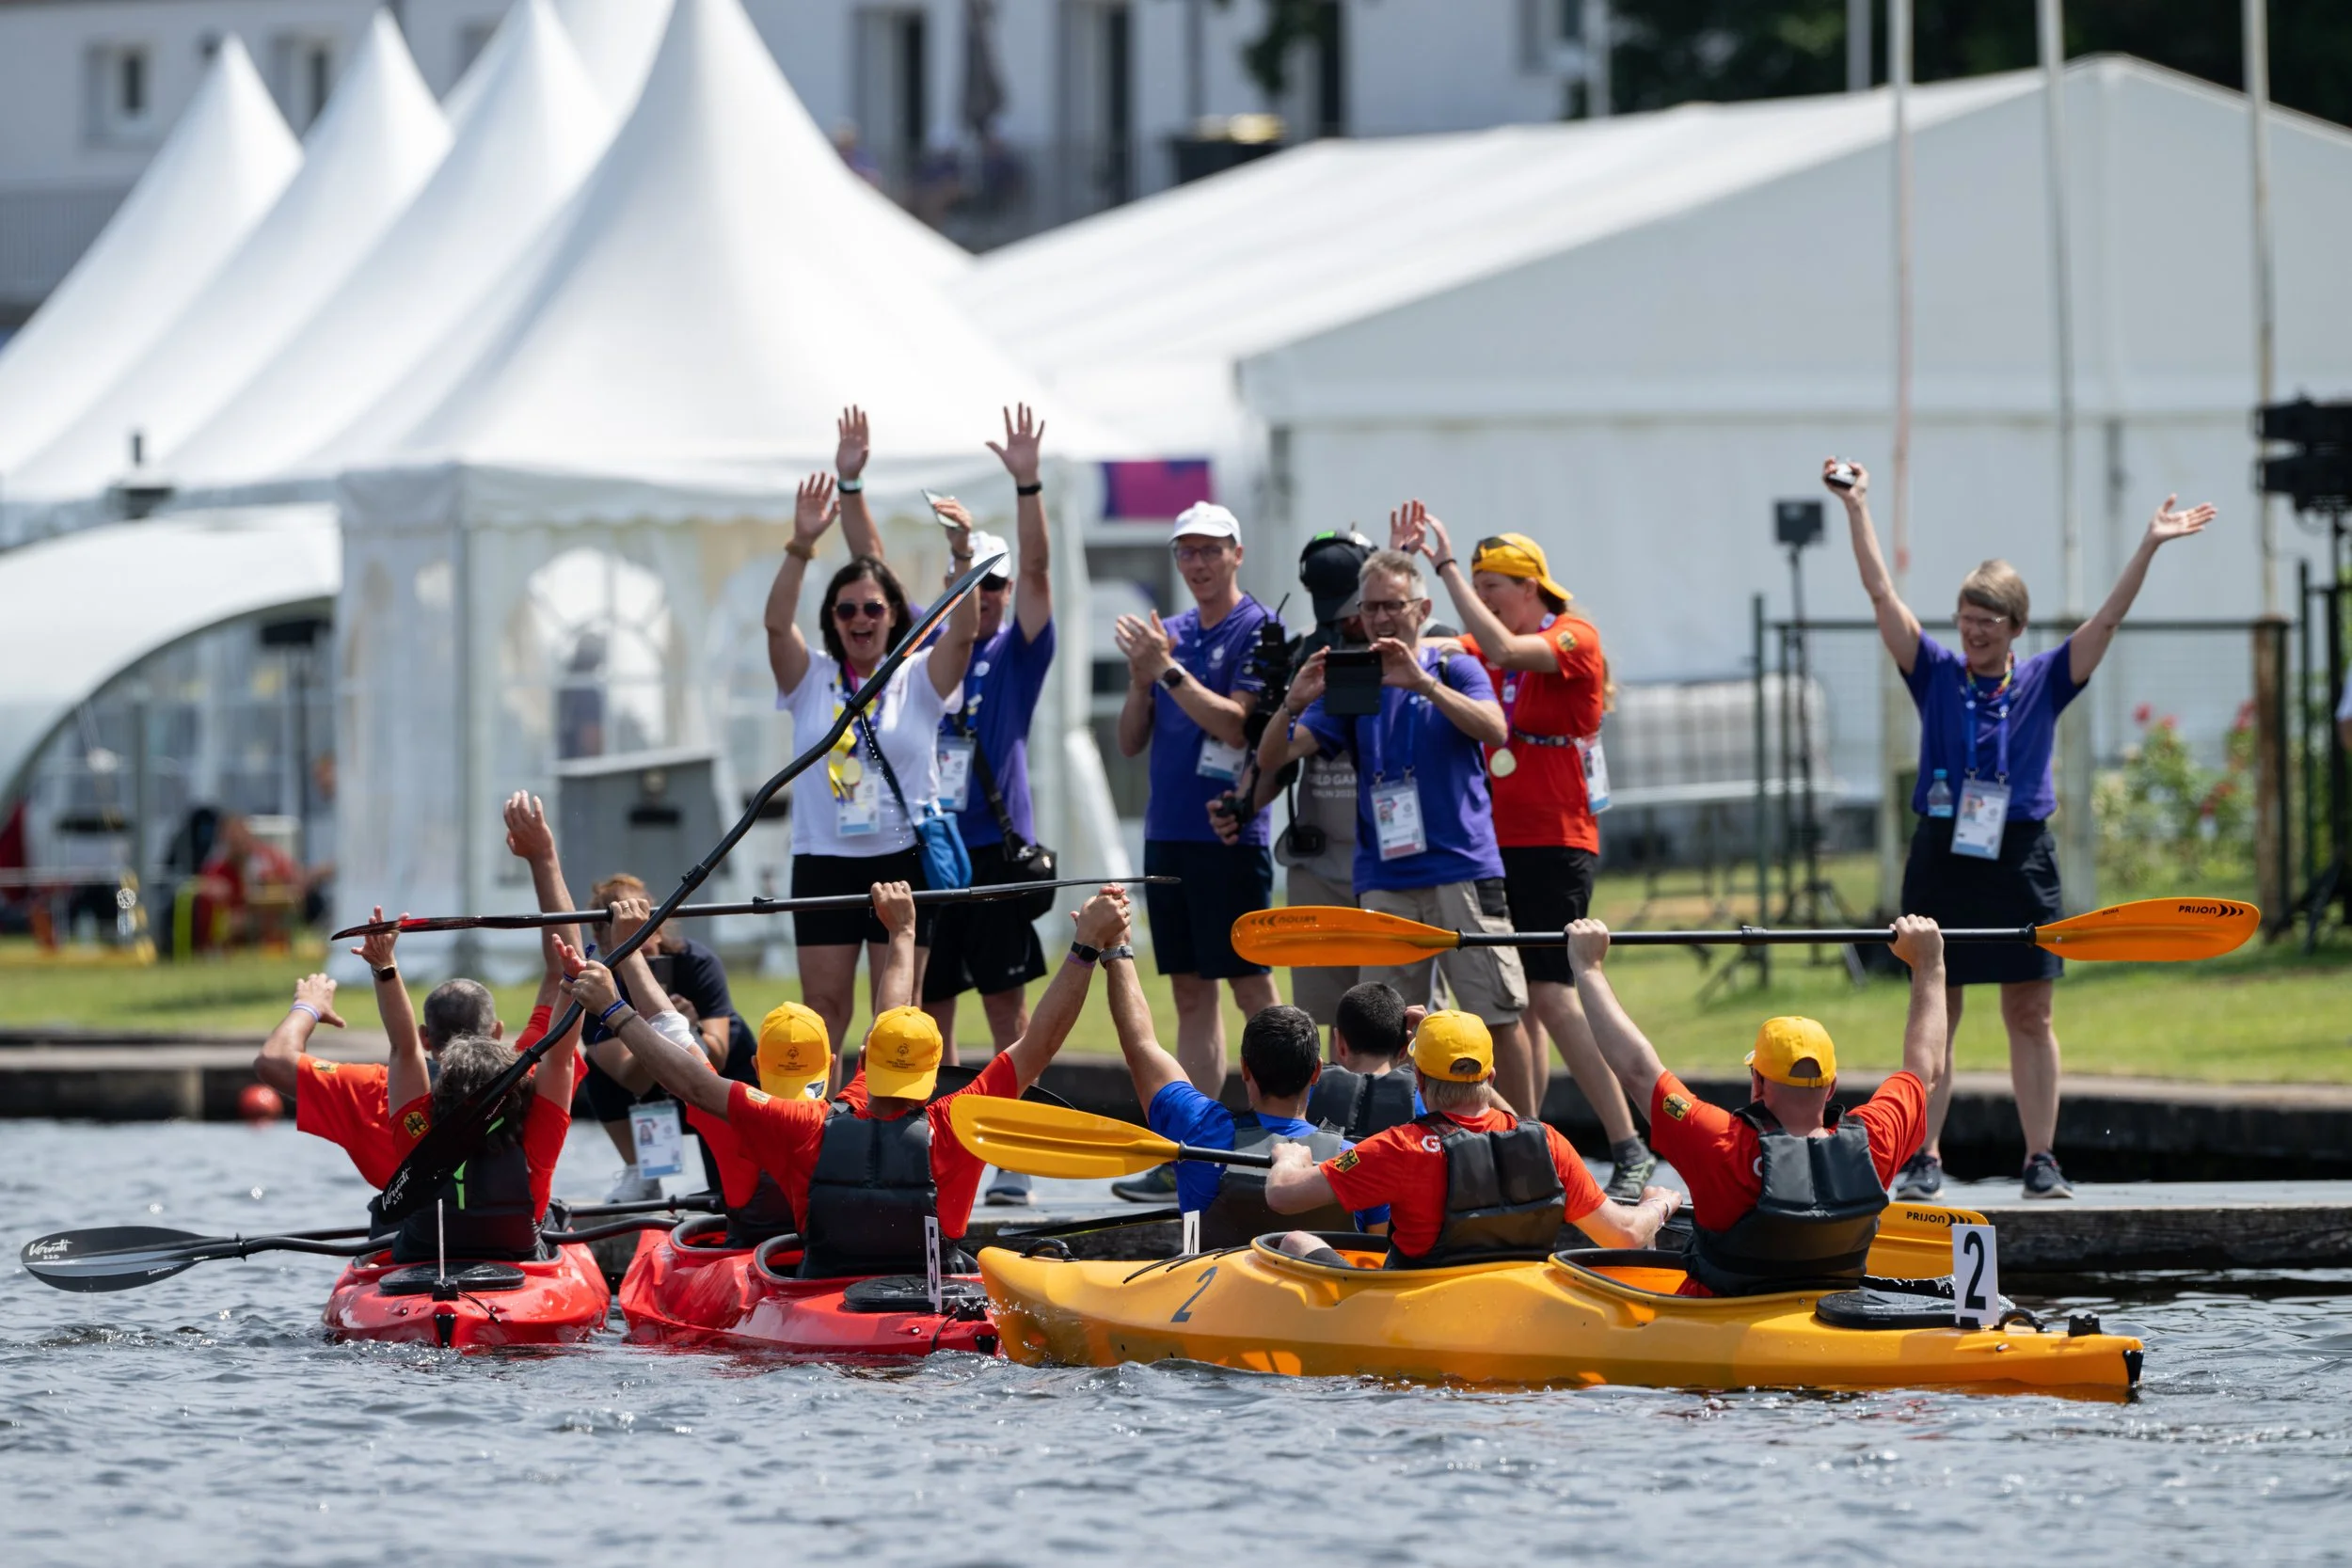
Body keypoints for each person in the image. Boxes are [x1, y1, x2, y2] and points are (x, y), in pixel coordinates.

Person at [1829, 457, 2215, 1200]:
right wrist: (1857, 508)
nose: (1971, 631)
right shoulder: (1934, 670)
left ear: (2014, 628)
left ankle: (2042, 1157)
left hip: (2021, 855)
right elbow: (1881, 592)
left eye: (1986, 621)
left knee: (2029, 1010)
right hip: (1943, 851)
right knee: (1937, 1000)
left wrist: (2151, 544)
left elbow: (2105, 621)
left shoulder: (2043, 678)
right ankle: (1925, 1155)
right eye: (1965, 618)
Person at [559, 882, 1132, 1279]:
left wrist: (615, 1006)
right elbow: (1036, 1047)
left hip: (807, 1287)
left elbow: (689, 1073)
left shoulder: (799, 1126)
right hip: (929, 1297)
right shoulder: (957, 1119)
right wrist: (1087, 949)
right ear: (835, 1066)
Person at [1391, 501, 1659, 1203]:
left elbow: (1505, 652)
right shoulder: (1477, 648)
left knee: (1552, 992)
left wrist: (1443, 566)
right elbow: (1427, 648)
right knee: (1518, 1011)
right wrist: (1403, 579)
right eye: (1476, 589)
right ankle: (1529, 1140)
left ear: (1531, 585)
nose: (1481, 602)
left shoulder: (1573, 636)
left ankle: (1628, 1144)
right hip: (1494, 845)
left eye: (1492, 588)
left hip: (1555, 837)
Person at [836, 404, 1057, 1207]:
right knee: (931, 1014)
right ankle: (941, 1149)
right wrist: (852, 479)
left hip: (993, 851)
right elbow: (867, 568)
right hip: (926, 847)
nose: (992, 595)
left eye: (995, 583)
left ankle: (1020, 1155)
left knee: (1010, 1014)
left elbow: (1036, 574)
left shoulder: (1016, 653)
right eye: (978, 583)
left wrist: (1027, 483)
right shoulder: (925, 652)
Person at [1251, 548, 1539, 1116]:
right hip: (1386, 876)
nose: (1382, 617)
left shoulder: (1452, 663)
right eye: (1372, 607)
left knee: (1498, 1015)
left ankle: (1529, 1142)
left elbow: (1495, 728)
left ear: (1421, 607)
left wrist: (1423, 684)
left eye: (1394, 605)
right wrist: (1293, 701)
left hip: (1462, 866)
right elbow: (1273, 756)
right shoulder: (1355, 679)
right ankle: (1414, 1145)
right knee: (1388, 1029)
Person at [1566, 915, 1945, 1297]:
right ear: (1832, 1088)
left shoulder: (1719, 1141)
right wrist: (1929, 963)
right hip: (1829, 1315)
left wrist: (1587, 967)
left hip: (1717, 1327)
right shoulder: (1875, 1139)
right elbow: (1925, 1071)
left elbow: (1636, 1070)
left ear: (1758, 1083)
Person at [767, 467, 984, 1068]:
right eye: (845, 610)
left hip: (903, 858)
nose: (859, 620)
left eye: (872, 607)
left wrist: (962, 552)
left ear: (893, 615)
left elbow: (962, 638)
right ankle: (821, 1138)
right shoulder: (811, 675)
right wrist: (802, 544)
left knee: (896, 1018)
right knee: (823, 1014)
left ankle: (890, 1144)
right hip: (823, 858)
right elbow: (773, 624)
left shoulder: (916, 675)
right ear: (832, 620)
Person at [1112, 500, 1284, 1198]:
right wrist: (1139, 677)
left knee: (1251, 986)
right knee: (1189, 993)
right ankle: (1195, 1142)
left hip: (1229, 833)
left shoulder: (1258, 626)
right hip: (1170, 832)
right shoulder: (1169, 633)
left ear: (1237, 554)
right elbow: (1129, 740)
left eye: (1211, 549)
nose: (1199, 563)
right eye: (1187, 551)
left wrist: (1169, 672)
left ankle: (1284, 1124)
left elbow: (1240, 727)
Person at [1264, 1010, 1681, 1267]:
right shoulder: (1548, 1144)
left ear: (1419, 1080)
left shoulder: (1399, 1147)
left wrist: (1290, 1156)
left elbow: (1283, 1196)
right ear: (1491, 1078)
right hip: (1515, 1300)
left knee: (1298, 1241)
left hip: (1418, 1308)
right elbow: (1625, 1234)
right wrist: (1660, 1203)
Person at [1102, 948, 1365, 1247]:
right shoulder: (1355, 1160)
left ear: (1244, 1068)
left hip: (1210, 1290)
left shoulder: (1198, 1129)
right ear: (1317, 1071)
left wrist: (1117, 950)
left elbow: (1140, 1045)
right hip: (1325, 1292)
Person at [383, 925, 583, 1267]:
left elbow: (404, 1049)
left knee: (382, 1215)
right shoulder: (538, 1134)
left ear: (440, 1082)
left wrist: (384, 966)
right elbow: (560, 1058)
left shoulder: (419, 1128)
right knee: (555, 1216)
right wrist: (570, 983)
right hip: (517, 1259)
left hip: (421, 1259)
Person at [1301, 981, 1426, 1143]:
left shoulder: (1306, 1091)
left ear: (1340, 1045)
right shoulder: (1424, 1097)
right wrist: (1426, 1047)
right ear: (1404, 1048)